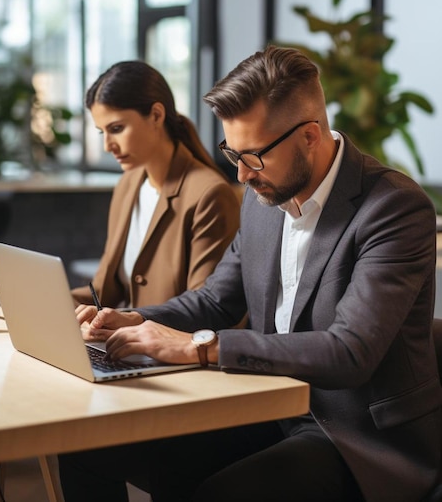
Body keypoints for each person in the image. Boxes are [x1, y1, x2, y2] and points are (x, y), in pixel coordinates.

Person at [60, 46, 441, 502]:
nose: (240, 174)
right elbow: (217, 299)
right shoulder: (264, 196)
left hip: (358, 440)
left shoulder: (394, 209)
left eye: (254, 156)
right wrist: (137, 319)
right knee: (84, 444)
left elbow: (350, 351)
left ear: (310, 136)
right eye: (231, 152)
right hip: (268, 408)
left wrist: (199, 347)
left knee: (222, 492)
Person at [72, 60, 240, 309]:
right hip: (127, 341)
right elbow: (104, 290)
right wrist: (49, 303)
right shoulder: (128, 185)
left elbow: (204, 308)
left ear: (156, 115)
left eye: (116, 129)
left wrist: (126, 323)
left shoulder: (208, 195)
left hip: (167, 345)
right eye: (102, 132)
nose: (108, 146)